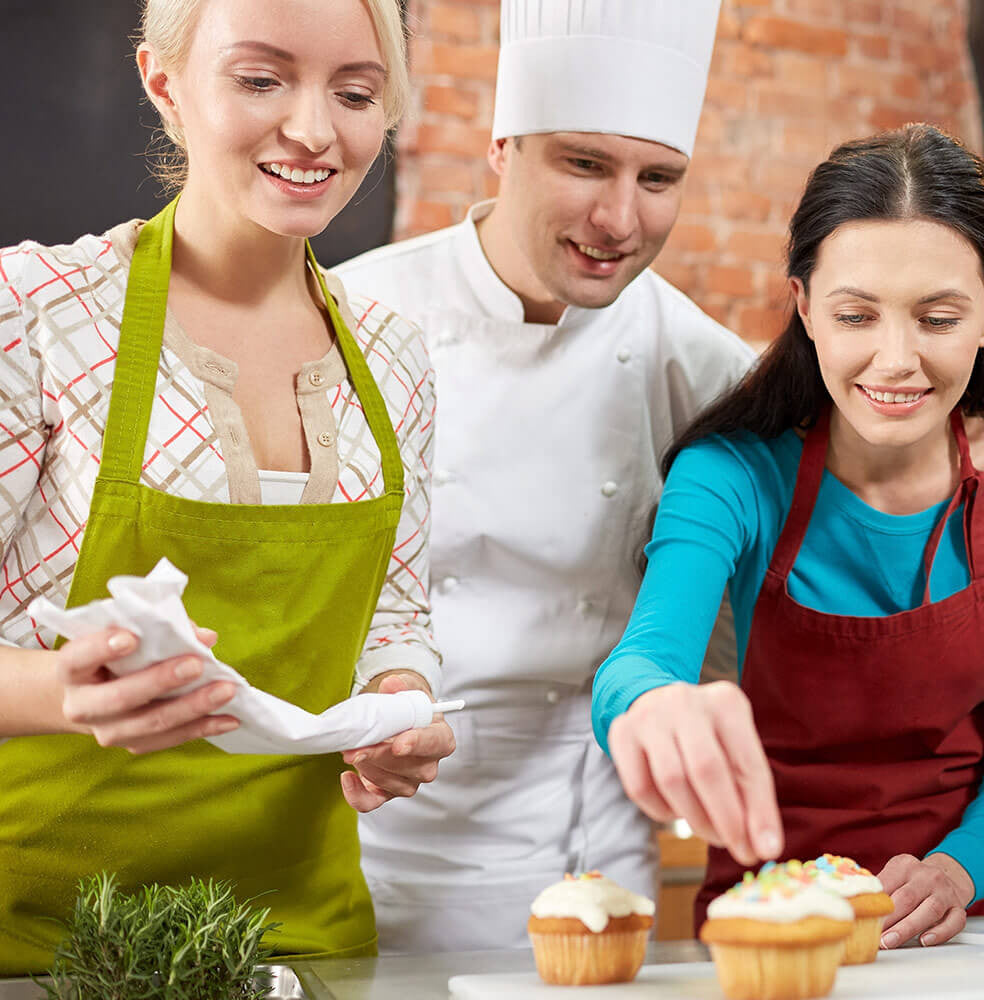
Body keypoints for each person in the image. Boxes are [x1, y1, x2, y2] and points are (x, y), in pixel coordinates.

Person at [0, 0, 452, 972]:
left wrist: (397, 702)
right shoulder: (40, 313)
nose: (314, 131)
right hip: (36, 942)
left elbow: (393, 616)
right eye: (261, 79)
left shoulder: (394, 357)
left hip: (295, 938)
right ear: (164, 84)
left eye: (356, 92)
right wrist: (55, 690)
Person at [593, 123, 984, 950]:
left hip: (972, 916)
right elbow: (642, 660)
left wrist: (953, 873)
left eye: (937, 318)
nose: (895, 360)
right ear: (804, 308)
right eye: (856, 314)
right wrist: (650, 703)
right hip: (771, 909)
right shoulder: (732, 473)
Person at [332, 0, 754, 953]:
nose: (620, 218)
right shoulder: (359, 315)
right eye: (584, 163)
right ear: (502, 146)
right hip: (363, 841)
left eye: (659, 178)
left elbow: (721, 627)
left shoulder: (705, 364)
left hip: (589, 863)